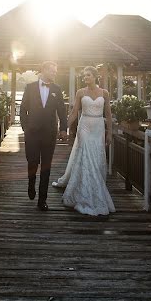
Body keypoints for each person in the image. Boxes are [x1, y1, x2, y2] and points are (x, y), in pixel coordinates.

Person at [52, 66, 116, 216]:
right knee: (87, 157)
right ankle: (83, 191)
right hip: (85, 127)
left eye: (88, 75)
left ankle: (95, 186)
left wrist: (109, 133)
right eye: (84, 76)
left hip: (98, 128)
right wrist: (64, 128)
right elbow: (74, 113)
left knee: (96, 157)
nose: (85, 78)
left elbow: (108, 114)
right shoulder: (80, 92)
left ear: (95, 76)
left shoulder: (104, 93)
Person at [18, 60, 68, 211]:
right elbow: (22, 110)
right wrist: (26, 128)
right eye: (52, 70)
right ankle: (31, 182)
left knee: (46, 167)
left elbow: (62, 111)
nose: (55, 73)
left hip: (50, 133)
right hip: (32, 133)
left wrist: (63, 129)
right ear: (44, 70)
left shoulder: (57, 89)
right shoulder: (30, 87)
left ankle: (42, 200)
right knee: (32, 161)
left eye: (55, 70)